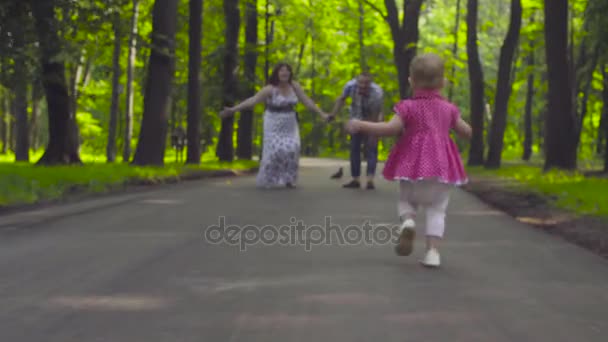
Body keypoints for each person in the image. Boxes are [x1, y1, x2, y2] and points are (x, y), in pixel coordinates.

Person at [345, 53, 472, 267]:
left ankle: (409, 221)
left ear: (411, 81)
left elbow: (390, 129)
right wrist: (462, 128)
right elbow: (466, 131)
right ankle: (433, 253)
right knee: (437, 210)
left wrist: (361, 124)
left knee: (406, 200)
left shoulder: (407, 107)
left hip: (413, 165)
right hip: (441, 167)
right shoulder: (449, 109)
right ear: (443, 82)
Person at [220, 63, 329, 188]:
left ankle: (289, 179)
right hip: (273, 121)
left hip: (289, 121)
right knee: (275, 151)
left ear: (290, 74)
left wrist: (322, 114)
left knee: (293, 148)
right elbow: (253, 101)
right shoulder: (270, 89)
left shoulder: (294, 86)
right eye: (282, 71)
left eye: (287, 71)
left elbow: (307, 101)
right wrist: (233, 110)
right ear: (277, 73)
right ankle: (269, 179)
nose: (285, 73)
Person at [329, 71, 384, 190]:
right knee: (354, 148)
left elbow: (376, 114)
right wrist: (333, 114)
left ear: (370, 84)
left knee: (371, 148)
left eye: (366, 84)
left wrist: (374, 132)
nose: (363, 86)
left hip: (371, 118)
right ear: (356, 81)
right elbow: (341, 99)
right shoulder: (350, 86)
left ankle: (370, 179)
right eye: (360, 83)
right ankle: (355, 179)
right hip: (356, 117)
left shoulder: (377, 93)